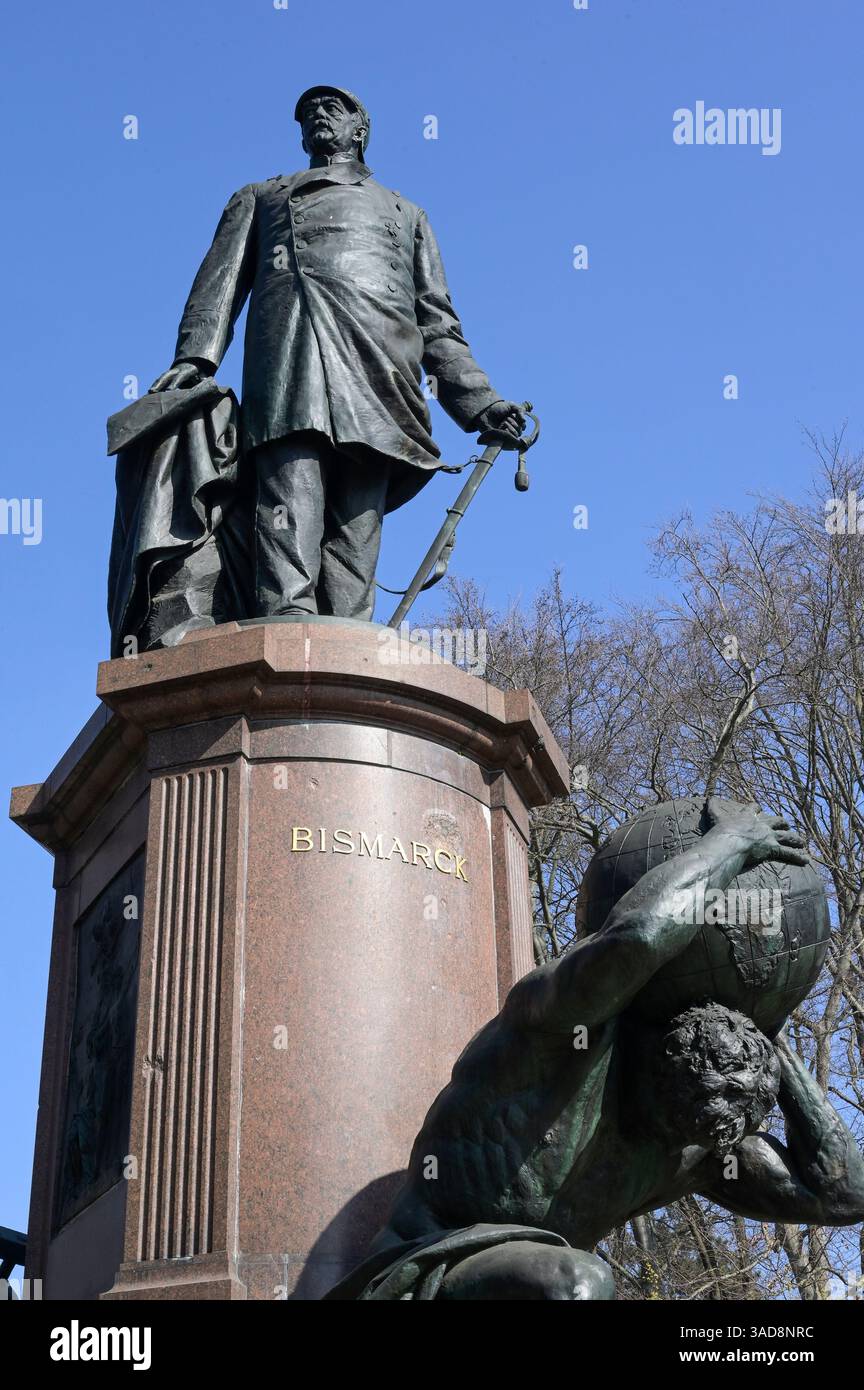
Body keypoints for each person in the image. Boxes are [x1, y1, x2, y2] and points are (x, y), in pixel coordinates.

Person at [326, 800, 864, 1299]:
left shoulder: (694, 1144)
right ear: (650, 1053)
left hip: (547, 1289)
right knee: (580, 1282)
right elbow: (638, 939)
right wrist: (732, 843)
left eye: (685, 1139)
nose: (668, 1143)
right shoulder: (560, 1033)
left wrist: (765, 1025)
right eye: (664, 1120)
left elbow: (845, 1196)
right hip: (420, 1271)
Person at [150, 85, 525, 621]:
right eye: (308, 113)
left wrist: (481, 405)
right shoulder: (264, 196)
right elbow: (219, 287)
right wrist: (195, 358)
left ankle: (351, 654)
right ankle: (286, 629)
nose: (318, 116)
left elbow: (438, 326)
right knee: (290, 497)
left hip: (381, 380)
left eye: (333, 108)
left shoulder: (407, 214)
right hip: (292, 364)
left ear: (361, 129)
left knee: (358, 525)